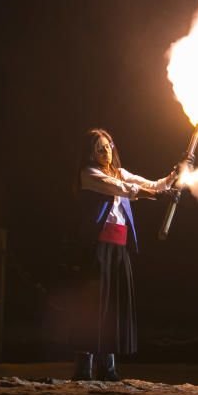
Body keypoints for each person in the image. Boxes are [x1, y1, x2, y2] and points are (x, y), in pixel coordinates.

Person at [71, 128, 178, 381]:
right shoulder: (89, 174)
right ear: (89, 152)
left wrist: (176, 174)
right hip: (98, 249)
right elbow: (124, 189)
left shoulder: (119, 172)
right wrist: (157, 195)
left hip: (119, 248)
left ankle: (108, 369)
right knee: (94, 307)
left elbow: (153, 185)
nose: (105, 151)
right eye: (99, 148)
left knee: (114, 306)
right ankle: (83, 370)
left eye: (108, 146)